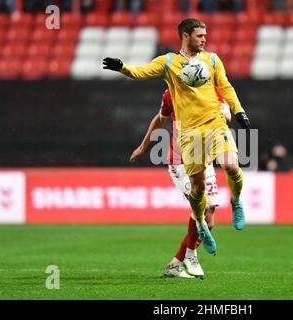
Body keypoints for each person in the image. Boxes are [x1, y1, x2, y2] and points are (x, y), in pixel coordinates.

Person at [103, 18, 251, 256]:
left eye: (206, 35)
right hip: (190, 134)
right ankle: (201, 224)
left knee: (231, 165)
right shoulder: (169, 62)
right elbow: (141, 72)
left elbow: (226, 87)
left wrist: (239, 110)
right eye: (200, 35)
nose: (205, 39)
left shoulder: (212, 59)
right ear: (185, 36)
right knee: (197, 188)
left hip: (215, 124)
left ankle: (236, 200)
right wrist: (122, 67)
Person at [129, 89, 231, 278]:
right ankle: (191, 255)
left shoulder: (212, 89)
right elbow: (160, 118)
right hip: (180, 162)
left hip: (203, 159)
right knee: (203, 205)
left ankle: (175, 265)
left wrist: (223, 113)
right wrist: (143, 146)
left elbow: (227, 114)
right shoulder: (171, 93)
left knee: (209, 220)